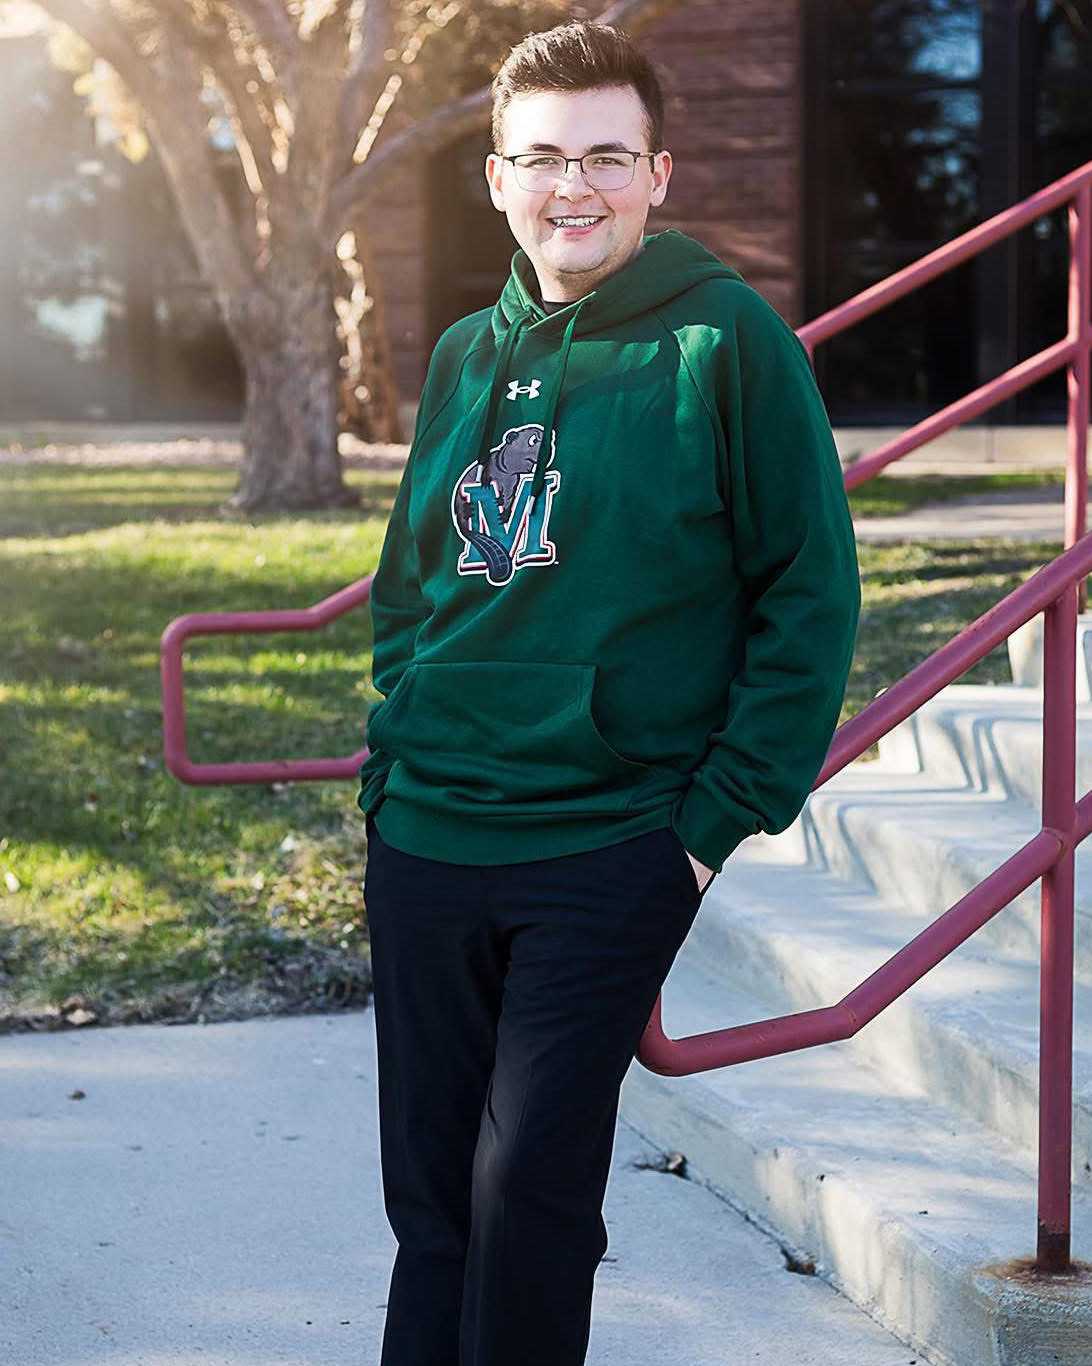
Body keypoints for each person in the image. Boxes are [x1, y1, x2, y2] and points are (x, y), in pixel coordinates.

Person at [358, 19, 861, 1366]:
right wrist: (392, 762)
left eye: (604, 157)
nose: (570, 185)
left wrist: (704, 830)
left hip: (610, 842)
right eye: (540, 158)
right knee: (430, 1203)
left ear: (657, 175)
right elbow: (411, 583)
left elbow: (810, 597)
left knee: (526, 1189)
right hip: (427, 834)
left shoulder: (727, 342)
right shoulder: (465, 355)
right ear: (498, 180)